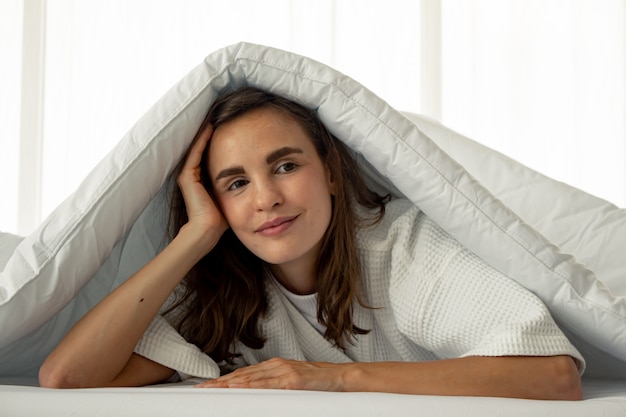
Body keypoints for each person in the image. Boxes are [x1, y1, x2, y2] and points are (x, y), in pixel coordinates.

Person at [39, 87, 584, 400]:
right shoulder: (228, 292)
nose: (266, 198)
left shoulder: (404, 246)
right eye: (236, 183)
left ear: (329, 172)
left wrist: (335, 378)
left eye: (285, 165)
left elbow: (554, 374)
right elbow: (66, 377)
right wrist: (195, 237)